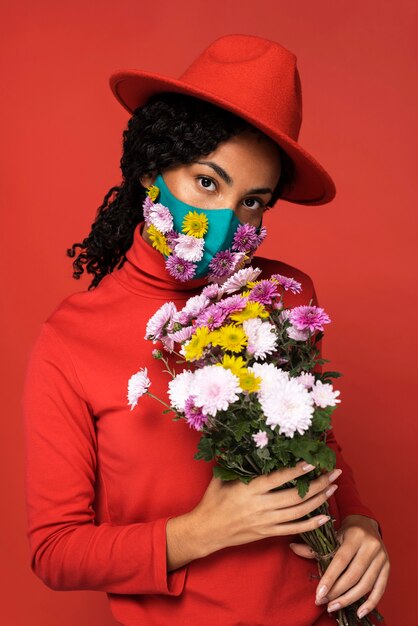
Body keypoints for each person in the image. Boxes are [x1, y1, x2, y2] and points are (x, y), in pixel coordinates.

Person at [22, 34, 390, 626]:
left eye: (253, 202)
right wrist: (200, 532)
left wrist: (361, 524)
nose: (223, 223)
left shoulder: (284, 294)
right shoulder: (70, 340)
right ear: (151, 173)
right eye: (207, 183)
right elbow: (55, 551)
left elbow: (318, 448)